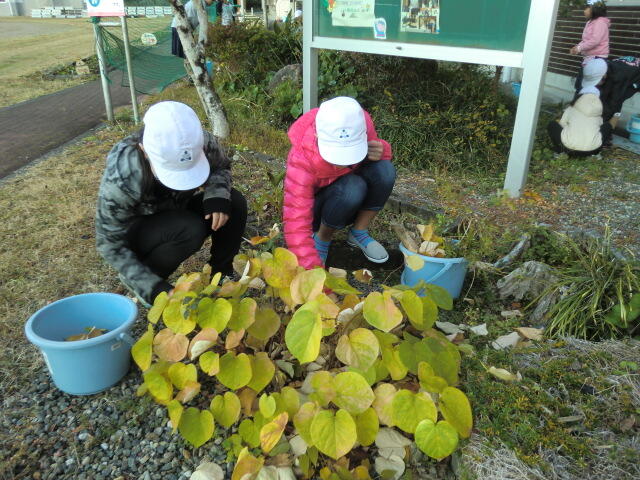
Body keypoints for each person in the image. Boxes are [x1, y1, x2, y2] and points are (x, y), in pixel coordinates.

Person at [96, 101, 247, 307]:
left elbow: (221, 166)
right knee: (189, 228)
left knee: (233, 202)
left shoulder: (197, 141)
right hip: (141, 230)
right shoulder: (124, 174)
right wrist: (153, 287)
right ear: (144, 150)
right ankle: (148, 277)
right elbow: (108, 241)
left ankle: (221, 274)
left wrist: (216, 196)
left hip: (176, 208)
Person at [283, 96, 396, 269]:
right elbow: (296, 219)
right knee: (352, 187)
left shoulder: (360, 122)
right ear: (318, 137)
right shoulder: (301, 159)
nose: (343, 163)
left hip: (348, 200)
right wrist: (310, 267)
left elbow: (374, 165)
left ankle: (359, 231)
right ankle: (322, 238)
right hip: (318, 209)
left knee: (385, 170)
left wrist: (382, 150)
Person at [547, 60, 615, 157]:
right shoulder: (598, 110)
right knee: (607, 126)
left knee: (552, 125)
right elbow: (599, 127)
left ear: (578, 97)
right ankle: (596, 154)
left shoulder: (572, 108)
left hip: (568, 148)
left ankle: (559, 151)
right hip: (592, 149)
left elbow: (562, 123)